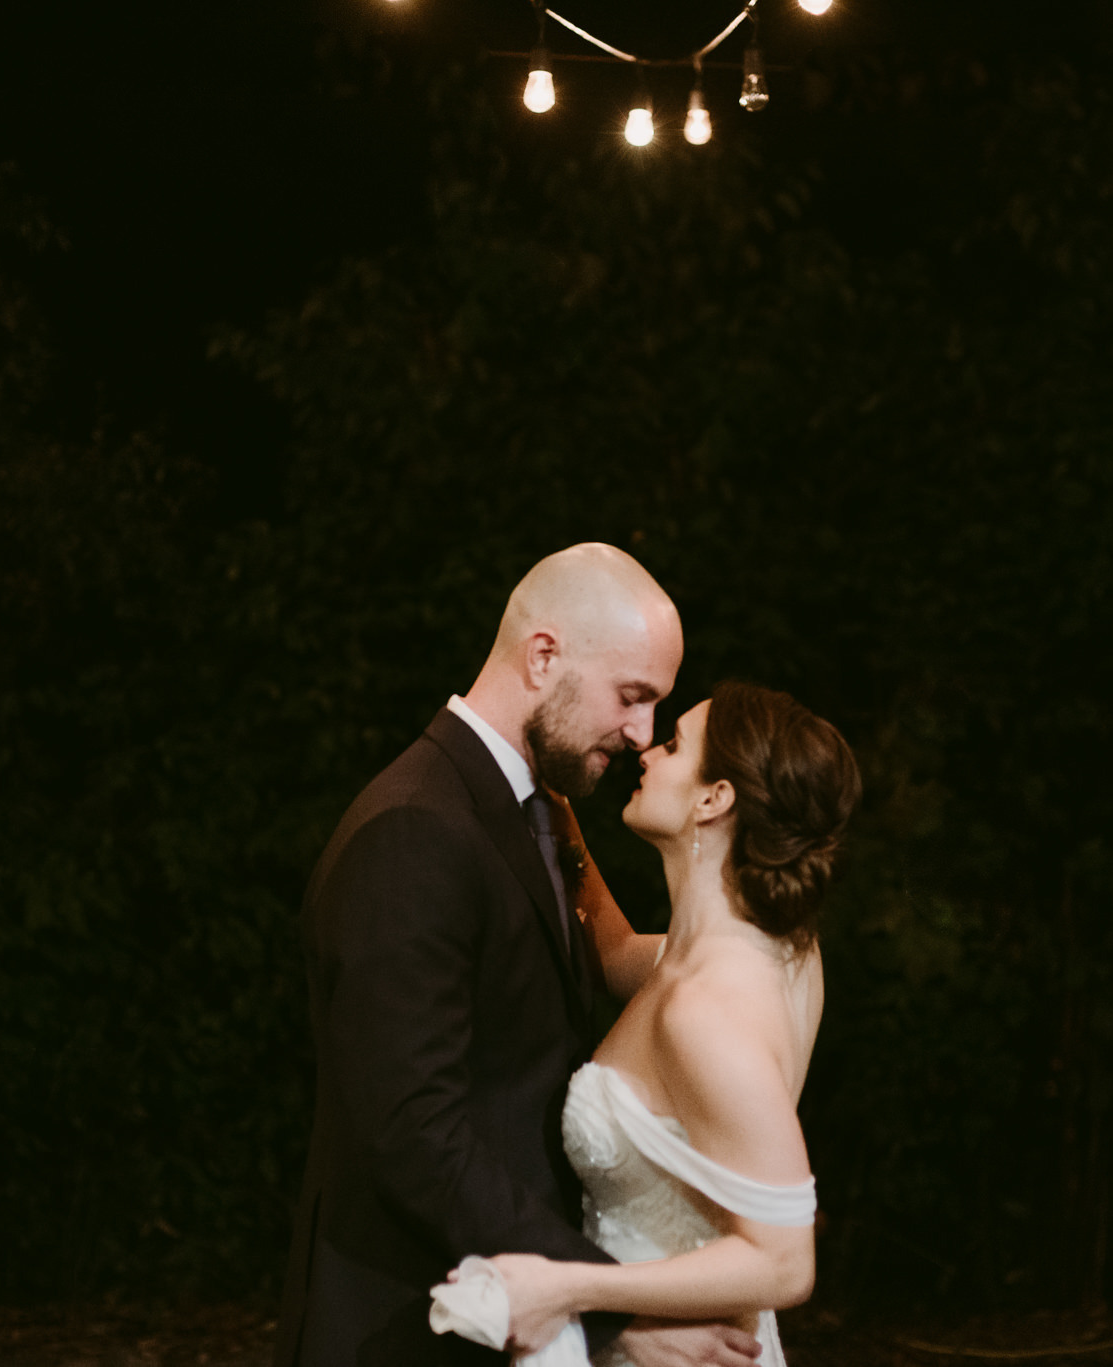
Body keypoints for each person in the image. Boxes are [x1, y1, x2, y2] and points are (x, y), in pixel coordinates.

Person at [276, 544, 763, 1367]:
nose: (643, 732)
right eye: (632, 696)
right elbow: (415, 1134)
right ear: (544, 656)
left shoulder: (534, 813)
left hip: (505, 1319)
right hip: (402, 1327)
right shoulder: (414, 830)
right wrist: (614, 1310)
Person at [460, 680, 862, 1367]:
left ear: (715, 798)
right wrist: (553, 811)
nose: (646, 749)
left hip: (681, 1349)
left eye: (675, 744)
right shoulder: (776, 948)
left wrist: (571, 1288)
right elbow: (617, 956)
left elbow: (788, 1263)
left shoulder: (706, 1011)